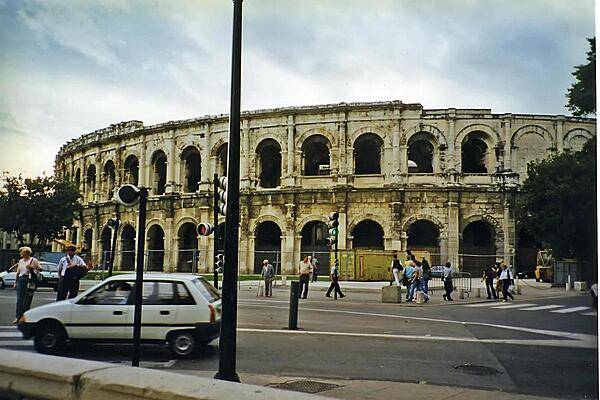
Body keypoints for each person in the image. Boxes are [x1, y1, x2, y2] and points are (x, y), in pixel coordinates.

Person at [13, 246, 42, 324]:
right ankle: (18, 317)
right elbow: (18, 272)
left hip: (30, 280)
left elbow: (40, 269)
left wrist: (32, 267)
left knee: (28, 300)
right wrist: (16, 282)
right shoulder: (21, 261)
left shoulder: (33, 260)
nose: (20, 254)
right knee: (19, 300)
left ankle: (25, 317)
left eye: (21, 252)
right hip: (21, 279)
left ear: (26, 253)